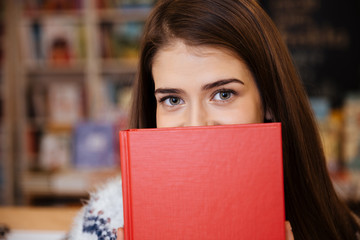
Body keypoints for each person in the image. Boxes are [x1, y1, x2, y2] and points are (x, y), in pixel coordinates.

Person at [68, 0, 360, 239]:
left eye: (223, 94)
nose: (196, 126)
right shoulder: (105, 221)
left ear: (268, 100)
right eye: (173, 100)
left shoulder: (338, 226)